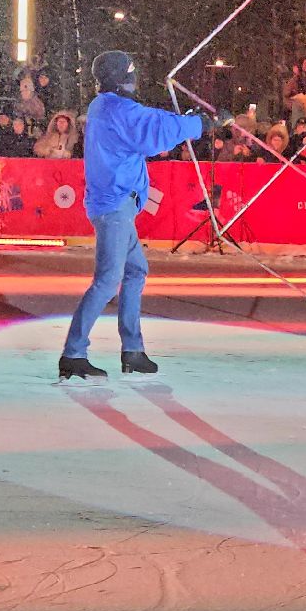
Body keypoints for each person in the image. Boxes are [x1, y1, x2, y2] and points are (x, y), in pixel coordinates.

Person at [60, 50, 209, 382]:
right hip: (114, 205)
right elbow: (153, 128)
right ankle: (73, 353)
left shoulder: (104, 106)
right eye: (129, 75)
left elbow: (149, 121)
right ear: (119, 80)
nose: (134, 80)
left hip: (113, 204)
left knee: (135, 270)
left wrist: (185, 120)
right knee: (107, 279)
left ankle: (132, 351)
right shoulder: (118, 110)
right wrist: (199, 123)